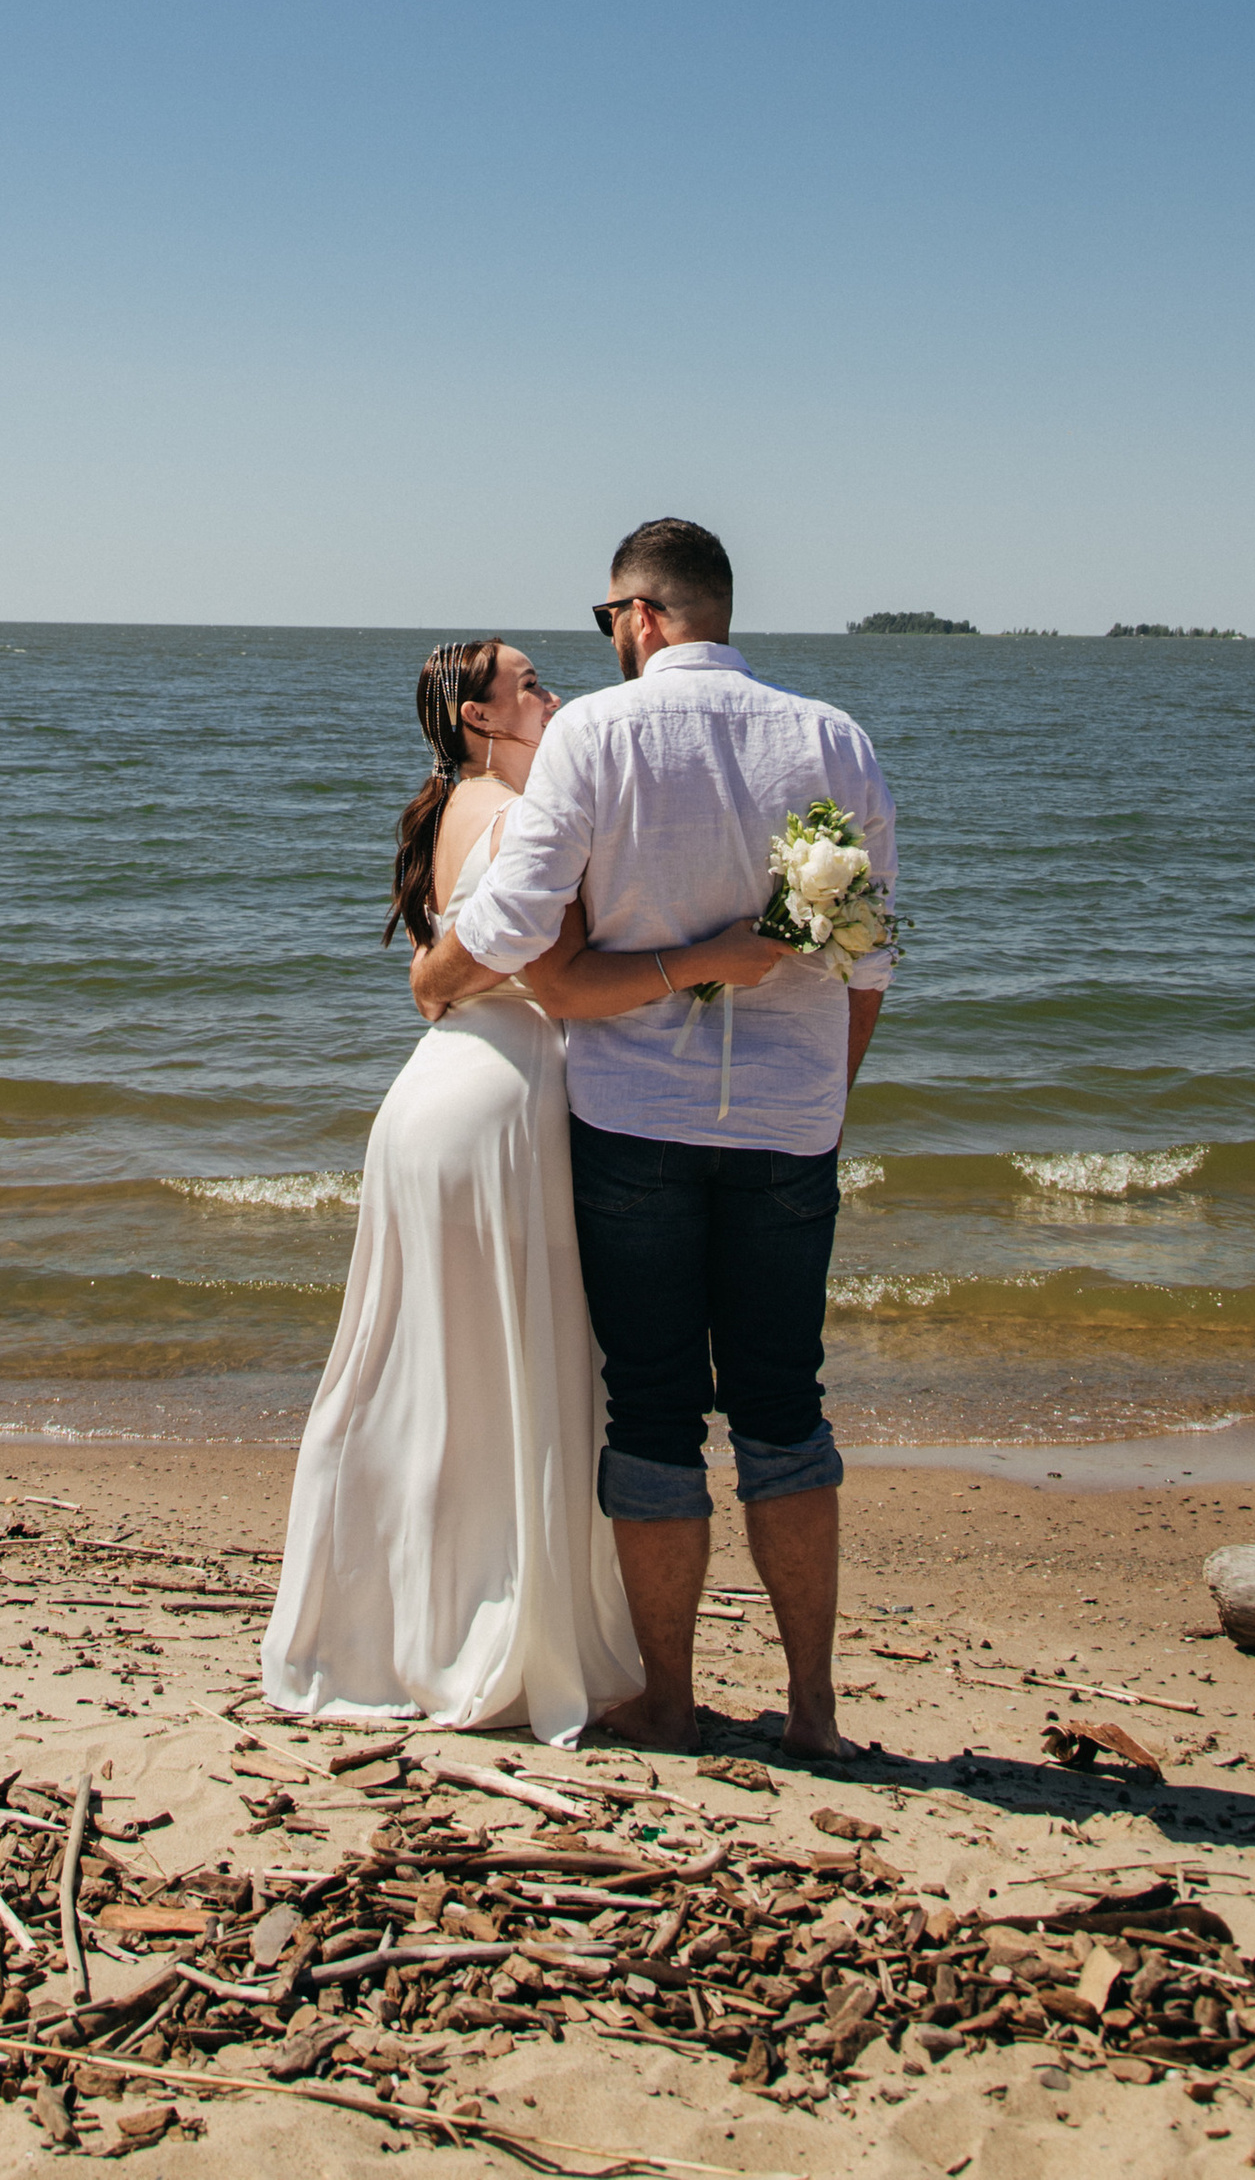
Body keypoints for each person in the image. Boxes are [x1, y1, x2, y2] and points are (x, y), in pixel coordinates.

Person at [408, 521, 895, 1759]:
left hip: (633, 1126)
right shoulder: (831, 737)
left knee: (656, 1412)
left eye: (606, 621)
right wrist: (816, 1101)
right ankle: (814, 1712)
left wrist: (435, 968)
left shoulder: (595, 733)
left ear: (640, 615)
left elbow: (515, 927)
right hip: (791, 1131)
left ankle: (671, 1703)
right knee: (789, 1408)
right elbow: (869, 959)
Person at [261, 634, 787, 1744]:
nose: (554, 694)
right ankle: (498, 1636)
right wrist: (713, 958)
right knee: (517, 1378)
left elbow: (443, 977)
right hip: (501, 1105)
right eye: (531, 684)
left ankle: (390, 1630)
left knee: (427, 1377)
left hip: (429, 1100)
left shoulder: (445, 809)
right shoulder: (517, 813)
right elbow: (561, 983)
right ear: (477, 718)